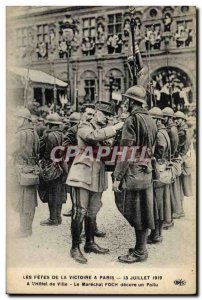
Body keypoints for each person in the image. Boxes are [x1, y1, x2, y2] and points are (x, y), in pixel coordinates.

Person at [67, 101, 124, 264]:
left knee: (93, 211)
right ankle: (75, 248)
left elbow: (107, 151)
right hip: (82, 174)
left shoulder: (102, 130)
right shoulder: (85, 125)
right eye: (104, 114)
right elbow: (92, 137)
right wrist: (115, 128)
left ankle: (90, 243)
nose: (107, 118)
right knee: (79, 211)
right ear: (97, 112)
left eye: (109, 116)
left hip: (97, 175)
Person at [113, 85, 157, 263]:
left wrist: (117, 177)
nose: (125, 103)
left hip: (133, 173)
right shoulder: (151, 120)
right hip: (145, 171)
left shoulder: (131, 120)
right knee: (144, 210)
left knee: (135, 211)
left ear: (132, 101)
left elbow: (126, 151)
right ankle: (141, 248)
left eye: (127, 100)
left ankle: (140, 252)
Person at [12, 106, 40, 237]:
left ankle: (24, 230)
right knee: (30, 200)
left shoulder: (20, 134)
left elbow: (9, 150)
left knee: (22, 200)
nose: (16, 121)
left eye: (18, 118)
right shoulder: (34, 133)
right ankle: (28, 228)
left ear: (24, 119)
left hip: (21, 170)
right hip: (33, 169)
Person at [148, 107, 171, 243]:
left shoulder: (159, 133)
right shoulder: (164, 131)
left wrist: (153, 158)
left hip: (159, 169)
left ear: (156, 120)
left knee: (157, 203)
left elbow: (160, 150)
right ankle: (157, 233)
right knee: (161, 203)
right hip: (163, 167)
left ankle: (156, 235)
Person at [39, 113, 66, 226]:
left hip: (50, 166)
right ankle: (58, 217)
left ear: (49, 124)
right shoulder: (63, 135)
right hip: (62, 166)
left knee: (50, 193)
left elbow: (40, 150)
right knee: (59, 192)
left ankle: (53, 219)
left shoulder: (47, 135)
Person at [162, 107, 180, 226]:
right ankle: (171, 217)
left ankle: (169, 218)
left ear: (169, 118)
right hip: (170, 160)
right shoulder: (171, 128)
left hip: (170, 160)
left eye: (164, 117)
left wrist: (170, 158)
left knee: (169, 192)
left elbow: (173, 146)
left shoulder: (172, 130)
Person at [174, 111, 192, 217]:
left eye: (178, 119)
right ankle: (180, 209)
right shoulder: (185, 130)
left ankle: (179, 210)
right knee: (180, 186)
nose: (176, 121)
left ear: (183, 120)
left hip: (182, 159)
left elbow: (180, 146)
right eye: (175, 119)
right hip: (184, 158)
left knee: (179, 186)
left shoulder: (182, 132)